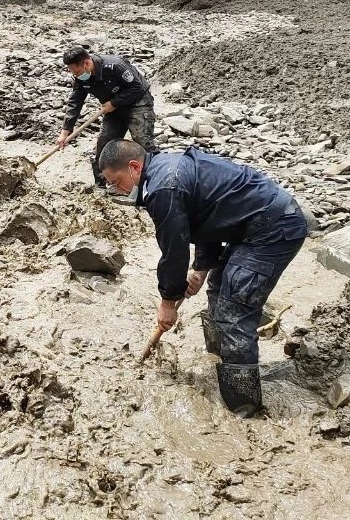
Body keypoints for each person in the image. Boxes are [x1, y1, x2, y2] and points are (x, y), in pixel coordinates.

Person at [98, 139, 308, 416]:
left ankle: (243, 408)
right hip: (249, 225)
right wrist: (201, 268)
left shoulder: (163, 188)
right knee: (218, 289)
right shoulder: (165, 171)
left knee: (234, 311)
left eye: (117, 182)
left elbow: (174, 250)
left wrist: (168, 303)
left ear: (134, 167)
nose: (118, 190)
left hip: (273, 228)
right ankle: (219, 359)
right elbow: (208, 216)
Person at [56, 47, 157, 189]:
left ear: (86, 63)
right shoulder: (80, 77)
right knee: (104, 144)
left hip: (138, 103)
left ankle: (155, 182)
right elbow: (75, 102)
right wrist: (65, 132)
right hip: (112, 109)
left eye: (77, 72)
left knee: (143, 142)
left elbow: (137, 88)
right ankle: (101, 186)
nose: (76, 76)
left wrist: (114, 103)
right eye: (73, 73)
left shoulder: (115, 66)